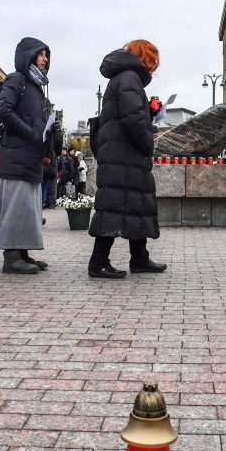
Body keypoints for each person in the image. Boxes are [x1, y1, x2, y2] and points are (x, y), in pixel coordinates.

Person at [87, 39, 166, 279]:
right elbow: (132, 120)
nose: (155, 66)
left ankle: (139, 258)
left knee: (136, 205)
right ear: (146, 57)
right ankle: (98, 263)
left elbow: (130, 113)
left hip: (120, 153)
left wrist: (148, 112)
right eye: (153, 59)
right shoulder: (130, 77)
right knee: (113, 206)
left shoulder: (123, 77)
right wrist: (148, 141)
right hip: (124, 154)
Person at [0, 37, 50, 274]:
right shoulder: (18, 79)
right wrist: (29, 133)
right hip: (17, 153)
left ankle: (23, 253)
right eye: (41, 54)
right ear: (29, 55)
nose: (45, 60)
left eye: (47, 55)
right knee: (16, 206)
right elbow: (3, 109)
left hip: (29, 154)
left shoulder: (36, 85)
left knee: (26, 207)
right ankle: (11, 258)